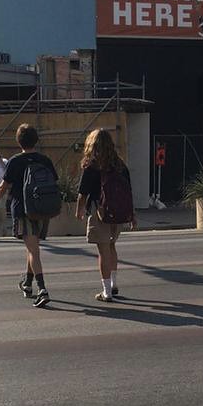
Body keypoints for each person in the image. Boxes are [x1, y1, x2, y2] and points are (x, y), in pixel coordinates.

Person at [0, 124, 58, 308]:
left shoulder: (15, 161)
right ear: (36, 140)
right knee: (32, 247)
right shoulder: (44, 160)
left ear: (18, 141)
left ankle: (42, 289)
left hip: (23, 209)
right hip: (43, 210)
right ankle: (27, 283)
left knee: (33, 250)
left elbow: (4, 185)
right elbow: (54, 182)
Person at [76, 128, 137, 303]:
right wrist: (132, 214)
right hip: (118, 212)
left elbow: (83, 193)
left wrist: (79, 210)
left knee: (103, 251)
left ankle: (106, 291)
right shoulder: (119, 164)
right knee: (111, 247)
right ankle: (114, 284)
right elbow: (129, 190)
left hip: (100, 212)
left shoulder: (92, 165)